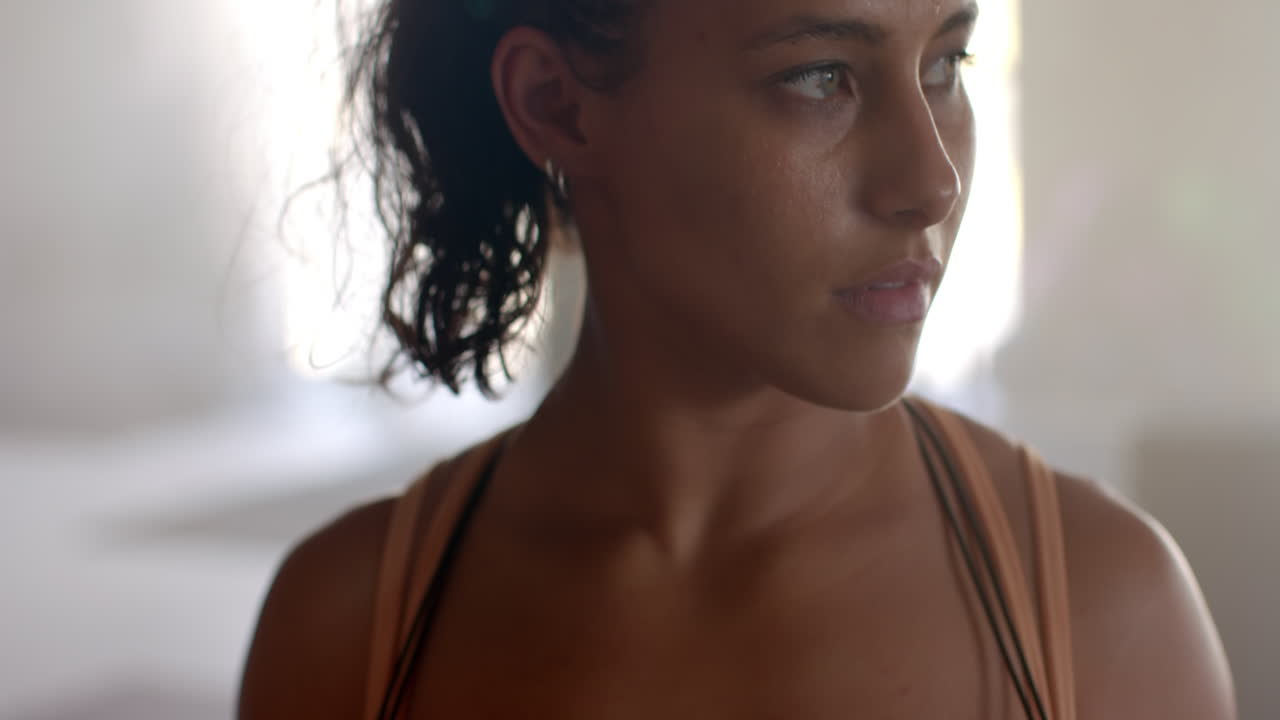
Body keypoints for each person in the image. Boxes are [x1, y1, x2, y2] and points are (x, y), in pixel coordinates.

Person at [238, 0, 1237, 717]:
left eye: (945, 63)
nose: (930, 180)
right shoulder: (347, 632)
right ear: (555, 103)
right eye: (820, 76)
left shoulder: (1107, 616)